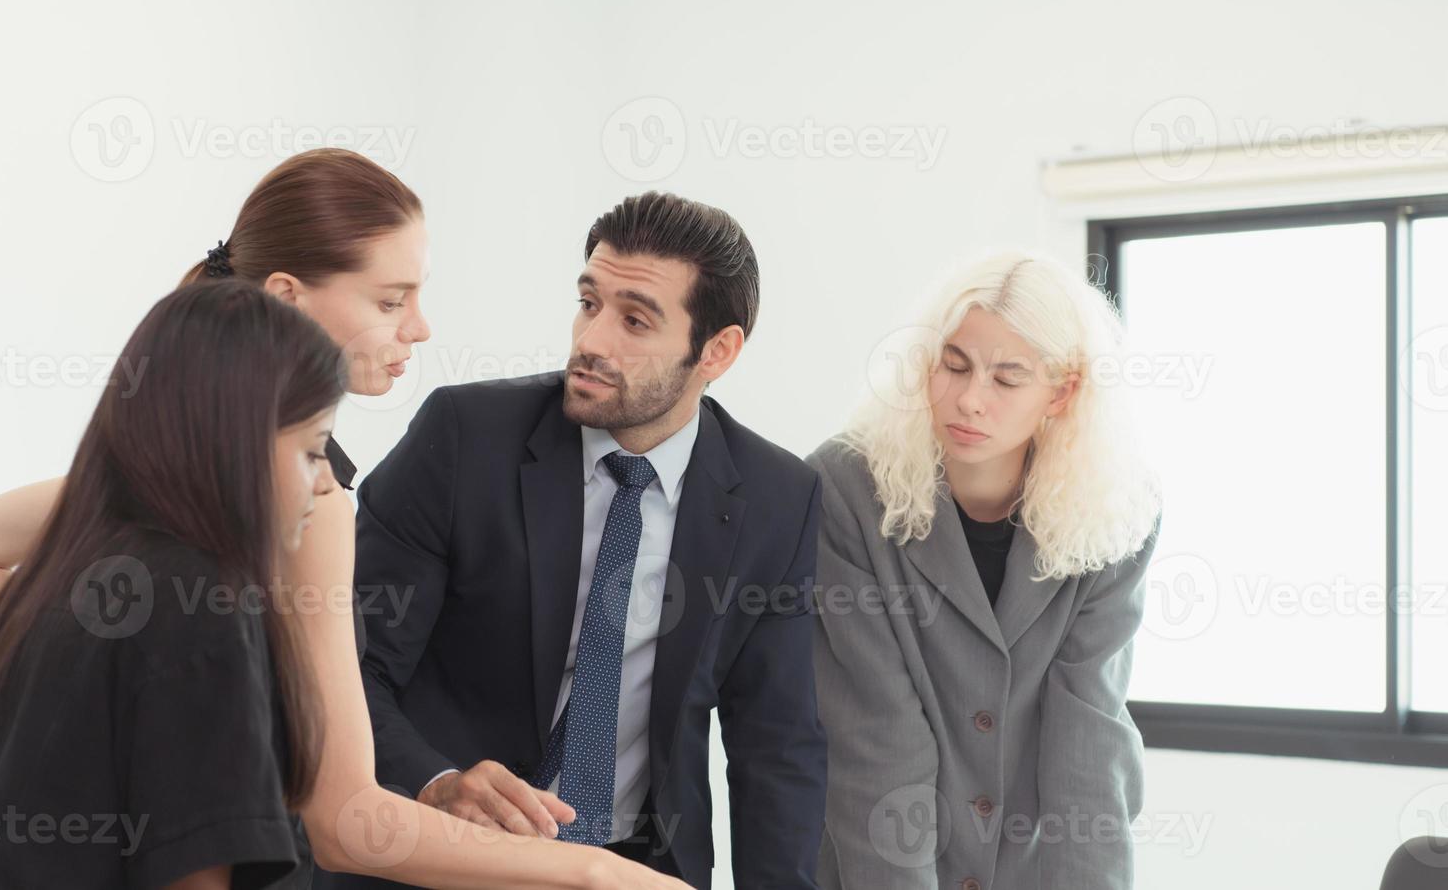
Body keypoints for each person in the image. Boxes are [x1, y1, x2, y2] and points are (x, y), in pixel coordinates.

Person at [0, 151, 688, 890]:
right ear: (285, 299)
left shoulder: (154, 472)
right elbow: (349, 820)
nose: (419, 328)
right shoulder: (311, 510)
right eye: (390, 302)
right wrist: (597, 875)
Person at [321, 192, 827, 890]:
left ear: (717, 351)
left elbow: (776, 744)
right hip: (437, 856)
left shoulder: (779, 499)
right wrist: (435, 781)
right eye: (589, 303)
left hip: (636, 867)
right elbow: (345, 669)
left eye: (635, 320)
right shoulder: (465, 438)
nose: (591, 341)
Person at [806, 251, 1163, 890]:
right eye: (955, 365)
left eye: (1007, 378)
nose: (970, 400)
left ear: (1062, 391)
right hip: (880, 865)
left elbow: (1089, 748)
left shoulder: (1114, 513)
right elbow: (877, 742)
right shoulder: (846, 489)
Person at [0, 280, 343, 888]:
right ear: (236, 442)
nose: (326, 482)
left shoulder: (67, 576)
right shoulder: (202, 603)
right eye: (314, 450)